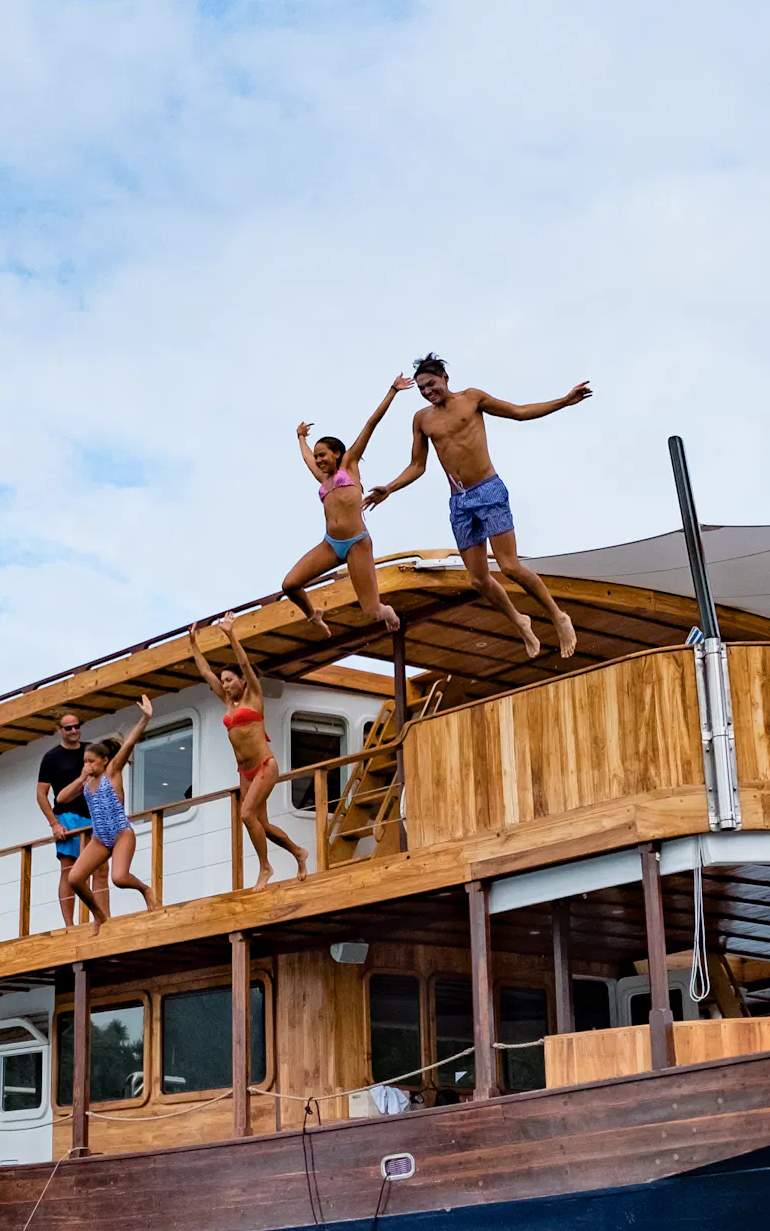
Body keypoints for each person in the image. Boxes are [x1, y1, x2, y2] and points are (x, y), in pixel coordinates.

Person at [363, 352, 591, 659]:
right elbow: (418, 465)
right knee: (478, 579)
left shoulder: (472, 398)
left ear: (445, 378)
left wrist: (563, 401)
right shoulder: (422, 419)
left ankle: (558, 616)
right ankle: (519, 621)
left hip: (488, 491)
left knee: (509, 566)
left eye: (431, 384)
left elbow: (519, 412)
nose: (427, 391)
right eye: (422, 388)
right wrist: (389, 488)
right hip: (459, 503)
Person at [187, 613, 308, 888]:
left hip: (265, 765)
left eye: (229, 680)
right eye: (223, 681)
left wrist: (230, 634)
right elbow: (205, 673)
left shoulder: (253, 695)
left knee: (245, 815)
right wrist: (193, 644)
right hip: (245, 772)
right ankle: (299, 852)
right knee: (261, 824)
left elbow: (243, 663)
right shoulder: (227, 701)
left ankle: (265, 868)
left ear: (242, 680)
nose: (225, 685)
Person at [282, 379, 407, 637]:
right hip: (330, 544)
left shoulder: (349, 465)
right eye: (317, 457)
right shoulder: (322, 478)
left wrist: (392, 391)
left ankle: (387, 611)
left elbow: (371, 423)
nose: (318, 460)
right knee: (290, 584)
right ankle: (313, 615)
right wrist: (300, 436)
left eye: (322, 455)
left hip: (357, 543)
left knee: (371, 611)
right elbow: (305, 456)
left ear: (337, 453)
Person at [66, 696, 161, 923]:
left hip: (120, 833)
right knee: (75, 879)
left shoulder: (112, 773)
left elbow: (128, 745)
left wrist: (145, 719)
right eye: (85, 762)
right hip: (100, 838)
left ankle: (145, 889)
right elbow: (62, 798)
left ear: (104, 760)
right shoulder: (86, 784)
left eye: (91, 761)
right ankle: (99, 915)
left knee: (119, 878)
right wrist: (80, 778)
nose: (87, 765)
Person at [34, 706, 106, 929]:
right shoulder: (52, 757)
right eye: (68, 728)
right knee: (70, 868)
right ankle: (69, 924)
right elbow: (41, 794)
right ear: (59, 730)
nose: (74, 730)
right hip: (67, 816)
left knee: (100, 868)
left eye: (77, 726)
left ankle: (103, 917)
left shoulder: (89, 750)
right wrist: (54, 823)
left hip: (94, 814)